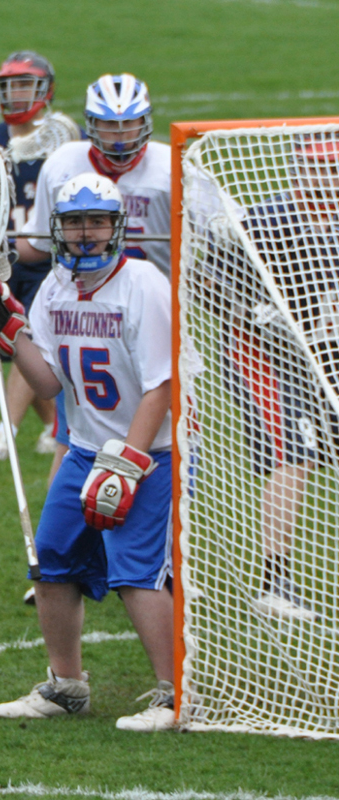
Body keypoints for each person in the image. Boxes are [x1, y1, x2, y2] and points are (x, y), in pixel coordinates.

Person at [0, 173, 175, 731]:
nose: (85, 234)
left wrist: (130, 463)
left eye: (97, 222)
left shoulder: (145, 286)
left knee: (137, 570)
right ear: (58, 229)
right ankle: (66, 685)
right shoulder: (56, 286)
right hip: (85, 448)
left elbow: (162, 384)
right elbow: (49, 382)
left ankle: (175, 694)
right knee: (51, 559)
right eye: (75, 223)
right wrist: (10, 331)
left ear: (116, 227)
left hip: (148, 451)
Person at [22, 71, 171, 605]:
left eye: (128, 123)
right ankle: (66, 553)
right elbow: (37, 245)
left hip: (149, 310)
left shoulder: (169, 170)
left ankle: (159, 557)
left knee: (165, 436)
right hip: (88, 309)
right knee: (76, 432)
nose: (118, 135)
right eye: (107, 125)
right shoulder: (64, 164)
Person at [211, 133, 339, 622]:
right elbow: (206, 279)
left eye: (331, 169)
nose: (325, 179)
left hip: (322, 356)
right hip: (260, 354)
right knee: (292, 452)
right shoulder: (268, 220)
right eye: (316, 169)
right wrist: (254, 311)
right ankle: (274, 580)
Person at [0, 51, 83, 461]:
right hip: (3, 262)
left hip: (49, 262)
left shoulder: (68, 143)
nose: (15, 94)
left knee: (29, 338)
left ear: (46, 90)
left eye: (24, 84)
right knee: (15, 352)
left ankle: (5, 433)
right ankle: (56, 424)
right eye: (8, 85)